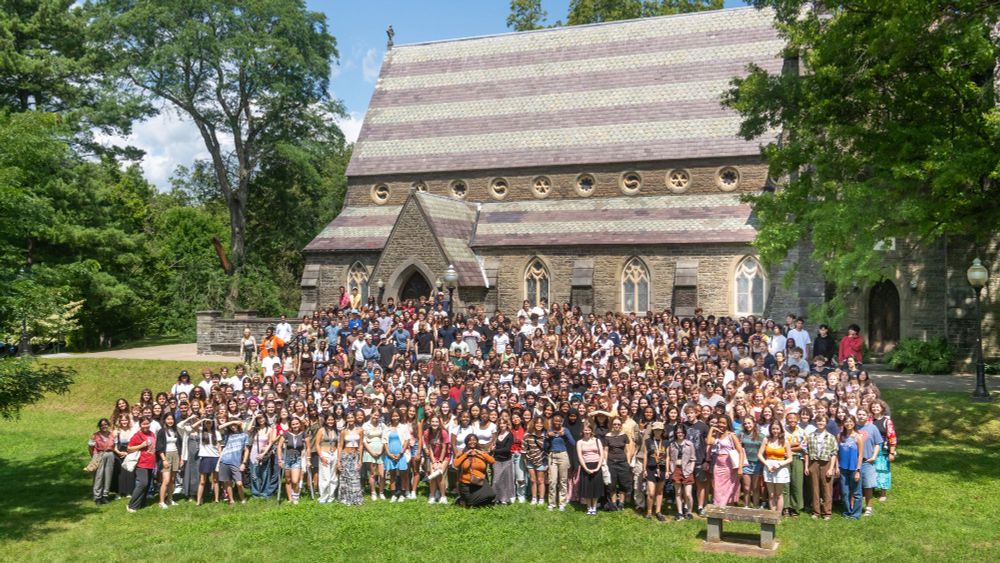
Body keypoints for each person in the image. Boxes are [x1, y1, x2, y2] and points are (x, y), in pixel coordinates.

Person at [804, 412, 838, 520]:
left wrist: (831, 468)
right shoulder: (810, 436)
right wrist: (806, 466)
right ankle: (816, 512)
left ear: (826, 423)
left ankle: (827, 512)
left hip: (826, 463)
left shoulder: (831, 437)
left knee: (827, 488)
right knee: (814, 488)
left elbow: (834, 453)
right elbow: (806, 452)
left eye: (823, 421)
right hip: (814, 463)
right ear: (816, 422)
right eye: (818, 421)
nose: (820, 423)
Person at [707, 414, 744, 507]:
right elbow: (708, 442)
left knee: (728, 487)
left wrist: (740, 468)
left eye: (724, 423)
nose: (721, 425)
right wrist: (712, 429)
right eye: (719, 422)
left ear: (728, 424)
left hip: (728, 464)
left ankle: (726, 509)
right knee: (718, 487)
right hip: (718, 464)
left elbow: (741, 452)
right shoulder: (718, 435)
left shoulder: (732, 435)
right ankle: (719, 507)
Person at [452, 434, 496, 507]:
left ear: (477, 441)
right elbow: (455, 464)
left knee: (491, 495)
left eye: (474, 440)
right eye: (470, 440)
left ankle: (473, 502)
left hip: (479, 481)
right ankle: (463, 500)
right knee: (470, 504)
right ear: (466, 442)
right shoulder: (462, 453)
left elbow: (492, 461)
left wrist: (479, 453)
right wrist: (466, 454)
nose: (472, 442)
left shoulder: (481, 453)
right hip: (466, 483)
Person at [856, 407, 884, 516]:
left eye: (863, 414)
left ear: (868, 415)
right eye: (859, 414)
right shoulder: (853, 427)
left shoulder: (872, 428)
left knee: (868, 485)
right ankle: (856, 507)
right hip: (855, 461)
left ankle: (868, 507)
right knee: (855, 485)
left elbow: (878, 443)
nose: (861, 416)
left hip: (868, 461)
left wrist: (874, 456)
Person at [760, 421, 791, 516]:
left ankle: (778, 515)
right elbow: (760, 454)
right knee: (771, 494)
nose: (775, 431)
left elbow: (790, 458)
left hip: (780, 468)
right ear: (770, 429)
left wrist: (779, 465)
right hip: (768, 467)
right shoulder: (766, 440)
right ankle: (772, 515)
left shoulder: (785, 441)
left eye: (777, 429)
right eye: (773, 428)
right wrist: (767, 464)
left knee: (779, 494)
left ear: (781, 429)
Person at [545, 413, 575, 511]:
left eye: (559, 421)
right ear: (553, 421)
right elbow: (545, 447)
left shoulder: (565, 430)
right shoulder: (549, 430)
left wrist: (565, 434)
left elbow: (573, 442)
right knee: (552, 481)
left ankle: (562, 503)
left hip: (563, 455)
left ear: (561, 422)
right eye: (555, 421)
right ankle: (552, 503)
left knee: (563, 480)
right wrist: (547, 437)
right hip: (552, 455)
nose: (557, 423)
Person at [126, 416, 156, 513]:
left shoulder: (151, 433)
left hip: (151, 462)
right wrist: (141, 446)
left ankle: (142, 503)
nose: (146, 425)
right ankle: (131, 505)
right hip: (141, 463)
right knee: (142, 483)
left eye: (147, 423)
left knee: (147, 485)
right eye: (144, 424)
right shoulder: (137, 435)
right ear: (140, 425)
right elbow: (129, 448)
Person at [277, 416, 310, 504]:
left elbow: (308, 448)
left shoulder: (304, 434)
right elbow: (279, 447)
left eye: (297, 423)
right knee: (288, 480)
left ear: (300, 424)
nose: (295, 425)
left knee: (295, 480)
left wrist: (308, 459)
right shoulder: (286, 434)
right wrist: (280, 460)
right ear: (290, 425)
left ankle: (295, 496)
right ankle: (290, 498)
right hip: (287, 458)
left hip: (297, 459)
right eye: (293, 424)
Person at [603, 416, 633, 511]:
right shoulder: (607, 436)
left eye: (618, 424)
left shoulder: (624, 435)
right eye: (615, 424)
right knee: (612, 484)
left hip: (623, 463)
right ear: (612, 425)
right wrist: (605, 464)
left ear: (621, 425)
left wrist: (628, 463)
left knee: (623, 484)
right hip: (611, 463)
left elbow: (627, 451)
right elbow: (606, 451)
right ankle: (614, 503)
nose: (616, 425)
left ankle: (621, 503)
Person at [837, 415, 864, 519]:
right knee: (844, 492)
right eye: (846, 422)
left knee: (857, 493)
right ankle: (847, 512)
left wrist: (858, 470)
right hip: (843, 468)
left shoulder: (858, 437)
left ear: (854, 423)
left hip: (854, 468)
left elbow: (860, 455)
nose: (849, 424)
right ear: (843, 423)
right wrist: (837, 466)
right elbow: (837, 452)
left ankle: (856, 514)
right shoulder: (840, 436)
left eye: (851, 421)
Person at [575, 423, 606, 516]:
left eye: (589, 430)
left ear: (592, 431)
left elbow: (602, 454)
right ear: (582, 431)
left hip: (597, 465)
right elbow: (580, 456)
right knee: (587, 488)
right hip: (586, 466)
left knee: (596, 488)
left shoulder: (597, 441)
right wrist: (585, 468)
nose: (587, 431)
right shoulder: (579, 442)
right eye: (585, 430)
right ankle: (589, 507)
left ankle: (594, 507)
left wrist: (598, 467)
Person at [870, 400, 896, 503]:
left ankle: (883, 493)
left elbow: (892, 437)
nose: (875, 409)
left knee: (883, 470)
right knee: (871, 469)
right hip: (871, 448)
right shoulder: (869, 420)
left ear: (882, 408)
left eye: (877, 407)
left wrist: (891, 453)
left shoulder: (887, 421)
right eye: (873, 407)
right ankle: (870, 490)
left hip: (883, 449)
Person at [668, 424, 696, 521]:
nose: (680, 434)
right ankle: (679, 512)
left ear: (684, 433)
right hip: (676, 469)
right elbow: (670, 458)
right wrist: (671, 469)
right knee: (678, 492)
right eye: (678, 432)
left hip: (687, 470)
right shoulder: (672, 444)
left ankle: (689, 512)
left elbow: (693, 458)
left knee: (688, 494)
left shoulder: (689, 444)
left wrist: (691, 469)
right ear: (675, 433)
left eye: (681, 432)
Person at [218, 420, 249, 505]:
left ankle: (243, 499)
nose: (233, 426)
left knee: (239, 483)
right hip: (224, 460)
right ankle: (231, 500)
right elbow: (219, 427)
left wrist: (244, 463)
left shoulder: (244, 435)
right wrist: (232, 421)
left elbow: (246, 450)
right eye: (231, 425)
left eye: (235, 425)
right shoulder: (227, 435)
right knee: (228, 482)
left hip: (236, 462)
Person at [337, 409, 365, 506]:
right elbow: (340, 446)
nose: (350, 419)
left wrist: (360, 459)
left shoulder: (360, 430)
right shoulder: (343, 431)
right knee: (345, 478)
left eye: (352, 417)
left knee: (355, 477)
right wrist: (338, 461)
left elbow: (361, 445)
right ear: (346, 419)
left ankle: (356, 499)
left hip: (355, 455)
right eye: (348, 418)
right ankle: (345, 498)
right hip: (345, 455)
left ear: (355, 418)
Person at [383, 408, 411, 502]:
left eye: (397, 415)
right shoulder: (387, 428)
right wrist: (389, 454)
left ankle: (402, 494)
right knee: (392, 475)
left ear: (400, 416)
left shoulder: (403, 427)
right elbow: (385, 442)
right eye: (393, 416)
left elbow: (407, 440)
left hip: (401, 455)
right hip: (390, 455)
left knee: (403, 475)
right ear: (391, 417)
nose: (395, 417)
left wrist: (401, 453)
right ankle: (393, 494)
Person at [423, 414, 452, 504]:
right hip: (433, 457)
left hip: (444, 457)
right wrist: (434, 461)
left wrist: (439, 461)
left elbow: (444, 448)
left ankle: (443, 496)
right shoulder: (427, 432)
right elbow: (429, 448)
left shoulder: (443, 432)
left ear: (439, 423)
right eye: (433, 421)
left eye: (436, 422)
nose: (434, 423)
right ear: (430, 422)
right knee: (432, 474)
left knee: (439, 473)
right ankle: (432, 495)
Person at [737, 416, 764, 509]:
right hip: (745, 462)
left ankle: (756, 506)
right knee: (746, 487)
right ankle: (746, 505)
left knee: (756, 487)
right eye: (745, 423)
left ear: (754, 423)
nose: (747, 425)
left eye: (749, 423)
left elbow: (763, 450)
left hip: (757, 463)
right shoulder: (741, 434)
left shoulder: (761, 436)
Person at [643, 421, 668, 521]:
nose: (658, 432)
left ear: (662, 431)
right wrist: (644, 469)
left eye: (660, 430)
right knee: (651, 493)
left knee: (659, 492)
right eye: (656, 430)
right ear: (653, 431)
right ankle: (649, 512)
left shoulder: (666, 442)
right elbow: (645, 455)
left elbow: (668, 456)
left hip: (662, 468)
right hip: (651, 468)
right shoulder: (648, 441)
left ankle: (658, 511)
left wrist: (667, 471)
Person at [155, 413, 181, 508]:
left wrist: (180, 457)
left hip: (175, 455)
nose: (170, 421)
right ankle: (161, 502)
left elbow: (179, 444)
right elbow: (159, 447)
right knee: (166, 480)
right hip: (166, 455)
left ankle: (170, 499)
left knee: (173, 480)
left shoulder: (175, 430)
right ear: (165, 420)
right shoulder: (162, 431)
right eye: (168, 419)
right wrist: (164, 459)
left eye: (172, 419)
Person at [314, 412, 340, 504]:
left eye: (332, 420)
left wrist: (338, 457)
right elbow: (317, 444)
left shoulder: (336, 430)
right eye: (329, 420)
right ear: (325, 420)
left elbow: (338, 444)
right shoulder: (321, 430)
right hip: (324, 453)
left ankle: (331, 496)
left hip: (334, 454)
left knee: (333, 477)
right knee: (325, 477)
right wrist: (321, 456)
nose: (330, 421)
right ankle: (323, 497)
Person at [88, 418, 116, 505]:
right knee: (98, 476)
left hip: (110, 455)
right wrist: (94, 456)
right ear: (99, 426)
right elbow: (90, 447)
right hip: (99, 455)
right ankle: (97, 497)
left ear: (108, 425)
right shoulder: (95, 435)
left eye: (105, 424)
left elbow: (114, 447)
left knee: (108, 475)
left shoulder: (112, 435)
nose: (104, 426)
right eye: (102, 425)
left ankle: (105, 495)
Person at [522, 416, 548, 505]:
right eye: (537, 423)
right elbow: (524, 449)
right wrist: (525, 462)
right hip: (530, 460)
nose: (539, 425)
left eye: (541, 423)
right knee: (533, 480)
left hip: (542, 460)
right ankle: (534, 498)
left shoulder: (546, 435)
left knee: (541, 480)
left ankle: (541, 498)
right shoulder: (527, 435)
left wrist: (547, 462)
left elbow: (548, 449)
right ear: (534, 424)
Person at [362, 409, 386, 500]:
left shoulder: (382, 425)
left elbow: (385, 438)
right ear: (371, 414)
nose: (376, 417)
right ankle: (373, 492)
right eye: (374, 415)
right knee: (372, 473)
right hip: (370, 451)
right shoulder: (365, 425)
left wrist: (381, 451)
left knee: (382, 474)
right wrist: (371, 451)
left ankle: (381, 492)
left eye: (378, 415)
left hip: (381, 451)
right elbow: (364, 441)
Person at [493, 418, 516, 504]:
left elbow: (507, 449)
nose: (502, 425)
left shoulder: (510, 435)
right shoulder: (498, 434)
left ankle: (504, 499)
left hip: (506, 460)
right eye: (500, 423)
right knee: (496, 480)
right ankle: (496, 498)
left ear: (507, 424)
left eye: (504, 423)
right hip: (497, 460)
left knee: (506, 480)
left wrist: (494, 450)